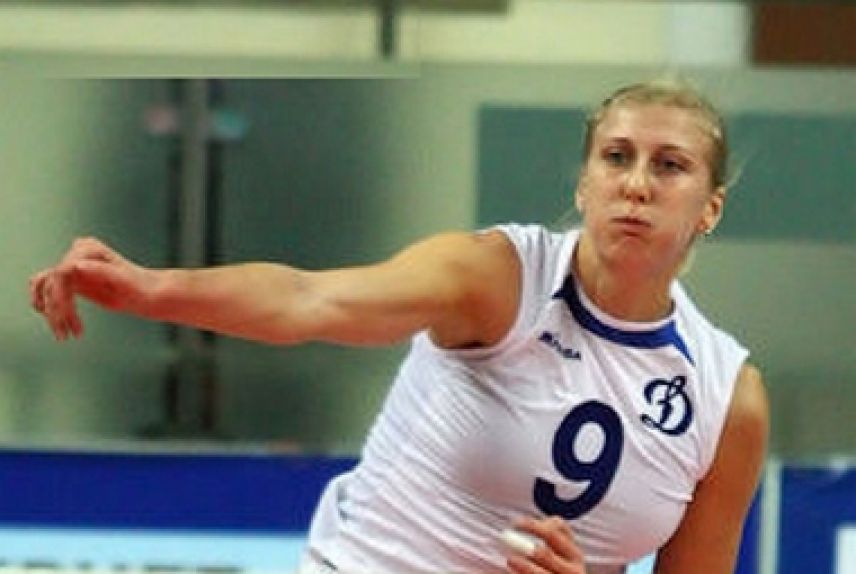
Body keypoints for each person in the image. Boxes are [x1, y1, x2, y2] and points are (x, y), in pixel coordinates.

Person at [30, 78, 769, 574]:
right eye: (616, 157)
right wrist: (153, 288)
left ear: (710, 208)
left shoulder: (723, 398)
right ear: (583, 184)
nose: (636, 184)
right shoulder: (496, 278)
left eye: (669, 166)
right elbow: (308, 300)